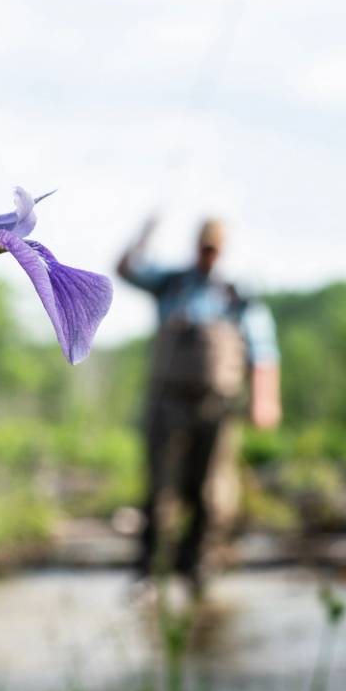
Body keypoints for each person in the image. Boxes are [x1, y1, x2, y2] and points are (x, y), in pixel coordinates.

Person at [117, 216, 280, 589]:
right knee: (160, 486)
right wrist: (144, 231)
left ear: (222, 251)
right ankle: (149, 570)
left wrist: (265, 400)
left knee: (210, 490)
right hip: (167, 402)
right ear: (196, 246)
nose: (209, 254)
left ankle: (199, 568)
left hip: (217, 407)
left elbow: (264, 351)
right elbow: (125, 268)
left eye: (215, 248)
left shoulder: (237, 296)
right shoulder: (170, 283)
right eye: (204, 247)